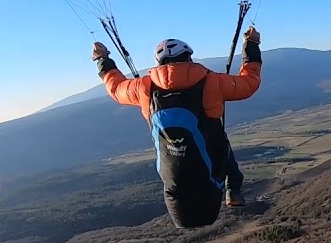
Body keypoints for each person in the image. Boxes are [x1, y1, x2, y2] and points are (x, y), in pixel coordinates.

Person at [93, 27, 262, 228]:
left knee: (183, 196)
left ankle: (230, 187)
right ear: (189, 57)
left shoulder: (142, 88)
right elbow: (249, 83)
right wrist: (251, 46)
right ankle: (233, 188)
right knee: (219, 140)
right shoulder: (211, 81)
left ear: (158, 63)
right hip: (211, 176)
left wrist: (102, 60)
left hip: (174, 181)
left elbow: (116, 88)